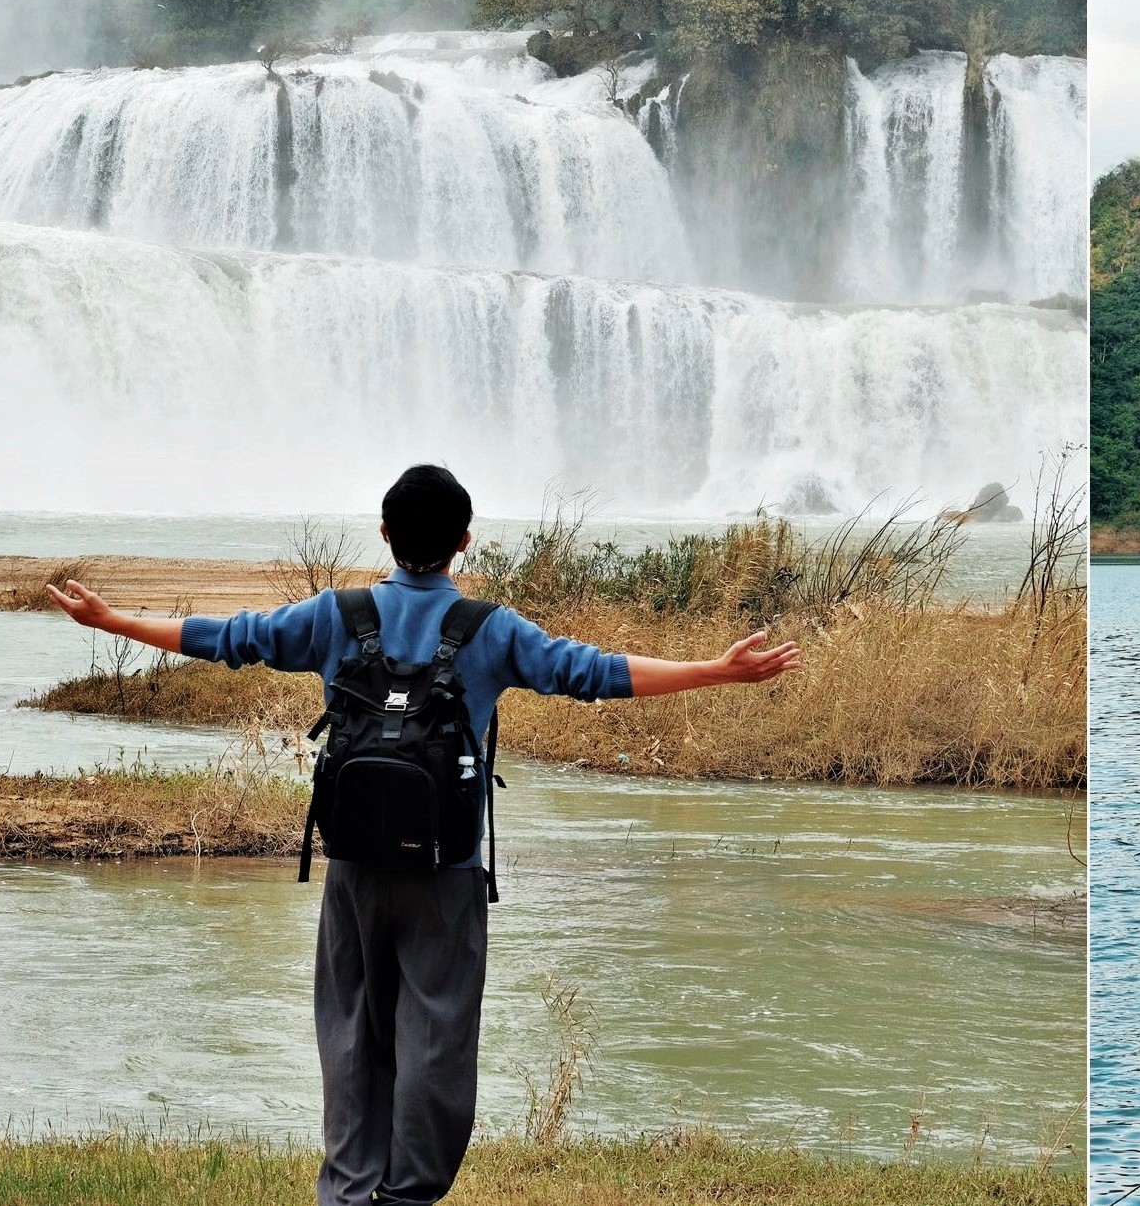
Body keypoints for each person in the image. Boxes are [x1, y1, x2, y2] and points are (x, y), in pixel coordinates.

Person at [46, 464, 800, 1206]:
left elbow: (228, 638)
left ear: (383, 533)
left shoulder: (334, 617)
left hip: (354, 868)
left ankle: (346, 1190)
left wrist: (112, 621)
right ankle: (407, 1196)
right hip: (446, 873)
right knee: (436, 1037)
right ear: (464, 541)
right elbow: (592, 672)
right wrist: (713, 671)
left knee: (348, 1034)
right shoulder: (490, 630)